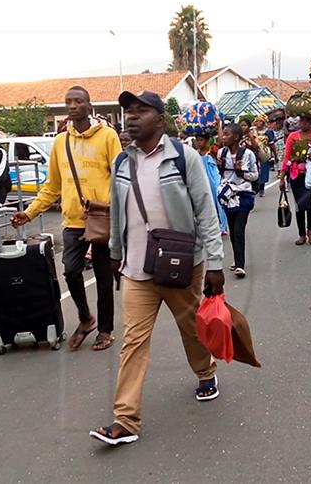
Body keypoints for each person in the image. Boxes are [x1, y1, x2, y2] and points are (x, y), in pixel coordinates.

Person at [88, 90, 225, 446]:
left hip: (181, 265)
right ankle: (125, 420)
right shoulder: (122, 163)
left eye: (140, 111)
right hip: (136, 269)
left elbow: (206, 212)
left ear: (159, 119)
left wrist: (215, 263)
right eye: (128, 112)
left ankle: (205, 372)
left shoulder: (183, 157)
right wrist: (115, 253)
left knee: (191, 329)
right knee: (133, 341)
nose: (131, 117)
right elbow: (117, 213)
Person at [12, 86, 121, 351]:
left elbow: (121, 179)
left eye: (78, 101)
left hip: (103, 219)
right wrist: (29, 212)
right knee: (71, 271)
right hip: (74, 221)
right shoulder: (61, 142)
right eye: (68, 102)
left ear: (89, 104)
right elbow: (52, 186)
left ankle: (105, 330)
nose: (73, 106)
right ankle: (86, 318)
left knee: (104, 278)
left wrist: (122, 217)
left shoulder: (107, 137)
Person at [217, 123, 259, 278]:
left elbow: (254, 175)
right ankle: (237, 260)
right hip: (228, 196)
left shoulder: (248, 154)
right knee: (233, 229)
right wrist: (220, 167)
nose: (223, 137)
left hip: (243, 194)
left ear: (235, 137)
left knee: (239, 230)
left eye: (227, 134)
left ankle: (240, 265)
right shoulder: (221, 153)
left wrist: (241, 172)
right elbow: (221, 175)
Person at [280, 116, 311, 246]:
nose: (303, 124)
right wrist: (282, 177)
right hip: (296, 176)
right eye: (301, 121)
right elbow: (287, 157)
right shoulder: (292, 137)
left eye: (306, 121)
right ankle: (302, 234)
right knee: (299, 206)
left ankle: (310, 229)